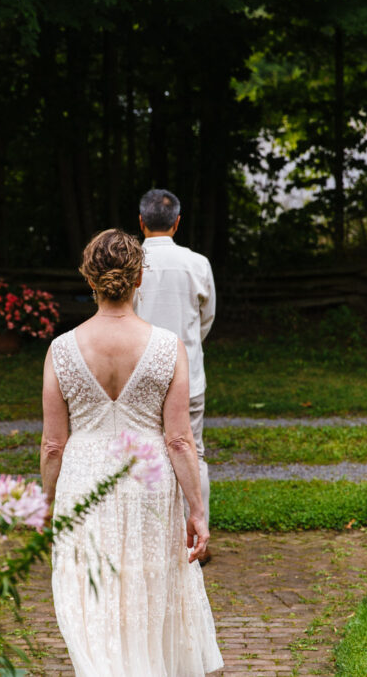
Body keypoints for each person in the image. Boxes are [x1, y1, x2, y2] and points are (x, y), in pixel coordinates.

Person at [41, 229, 223, 676]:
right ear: (139, 278)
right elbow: (180, 440)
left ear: (90, 280)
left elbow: (52, 443)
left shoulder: (62, 350)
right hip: (148, 481)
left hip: (84, 481)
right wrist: (197, 511)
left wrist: (47, 503)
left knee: (92, 593)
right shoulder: (167, 347)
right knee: (148, 586)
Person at [133, 189, 216, 565]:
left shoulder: (130, 262)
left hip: (138, 372)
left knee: (141, 451)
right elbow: (206, 318)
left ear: (141, 222)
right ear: (177, 222)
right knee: (192, 452)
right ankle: (196, 539)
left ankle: (148, 541)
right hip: (189, 373)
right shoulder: (197, 263)